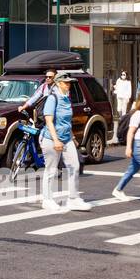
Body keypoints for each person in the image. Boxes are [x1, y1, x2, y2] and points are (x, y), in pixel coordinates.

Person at [40, 73, 90, 212]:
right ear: (58, 83)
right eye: (66, 82)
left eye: (69, 82)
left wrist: (73, 138)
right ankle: (47, 200)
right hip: (51, 138)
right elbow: (49, 120)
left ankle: (73, 199)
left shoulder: (67, 98)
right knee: (51, 170)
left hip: (67, 138)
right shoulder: (52, 98)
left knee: (74, 166)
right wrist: (56, 140)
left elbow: (66, 122)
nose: (69, 84)